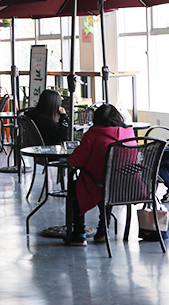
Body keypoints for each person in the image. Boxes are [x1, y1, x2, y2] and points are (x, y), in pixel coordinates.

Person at [66, 104, 135, 246]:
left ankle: (79, 233)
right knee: (109, 182)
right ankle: (104, 228)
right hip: (127, 185)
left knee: (77, 185)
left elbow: (75, 161)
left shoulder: (92, 134)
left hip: (99, 184)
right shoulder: (129, 133)